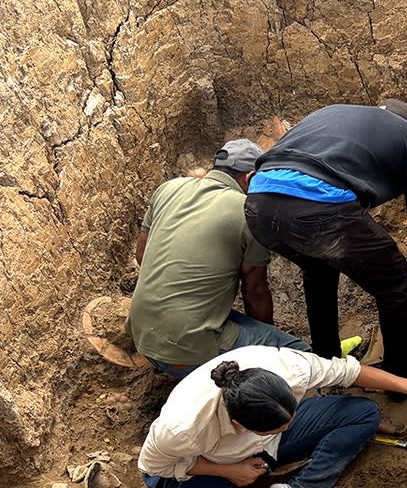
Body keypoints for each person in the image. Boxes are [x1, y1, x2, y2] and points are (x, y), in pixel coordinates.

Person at [138, 345, 407, 488]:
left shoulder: (287, 368)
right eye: (276, 428)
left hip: (262, 449)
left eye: (288, 421)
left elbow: (347, 372)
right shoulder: (182, 428)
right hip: (215, 462)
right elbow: (152, 466)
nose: (287, 428)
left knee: (363, 414)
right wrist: (227, 471)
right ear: (238, 424)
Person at [243, 99, 407, 386]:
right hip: (318, 206)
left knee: (319, 267)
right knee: (393, 279)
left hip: (259, 204)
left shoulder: (333, 114)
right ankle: (399, 382)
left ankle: (327, 362)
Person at [128, 139, 309, 379]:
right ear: (250, 177)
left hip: (142, 337)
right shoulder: (248, 211)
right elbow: (254, 291)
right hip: (186, 351)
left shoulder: (168, 189)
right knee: (299, 354)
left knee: (212, 319)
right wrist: (266, 351)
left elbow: (142, 255)